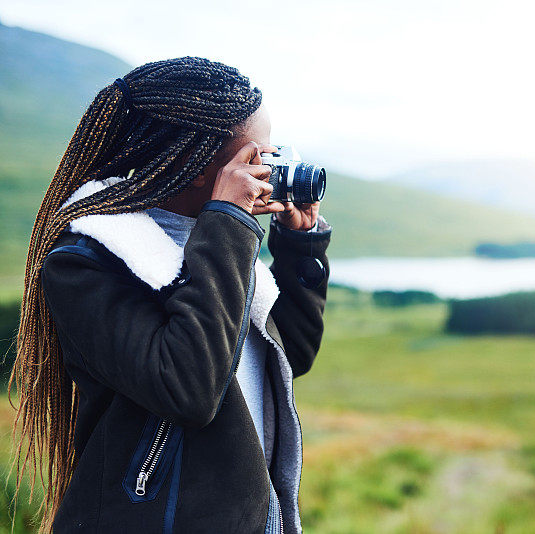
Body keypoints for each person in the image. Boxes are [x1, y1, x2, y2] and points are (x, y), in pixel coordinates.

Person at [9, 56, 331, 533]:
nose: (269, 168)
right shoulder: (89, 261)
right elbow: (188, 389)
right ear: (200, 166)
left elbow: (291, 357)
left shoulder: (218, 241)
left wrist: (300, 248)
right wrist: (229, 224)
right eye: (254, 156)